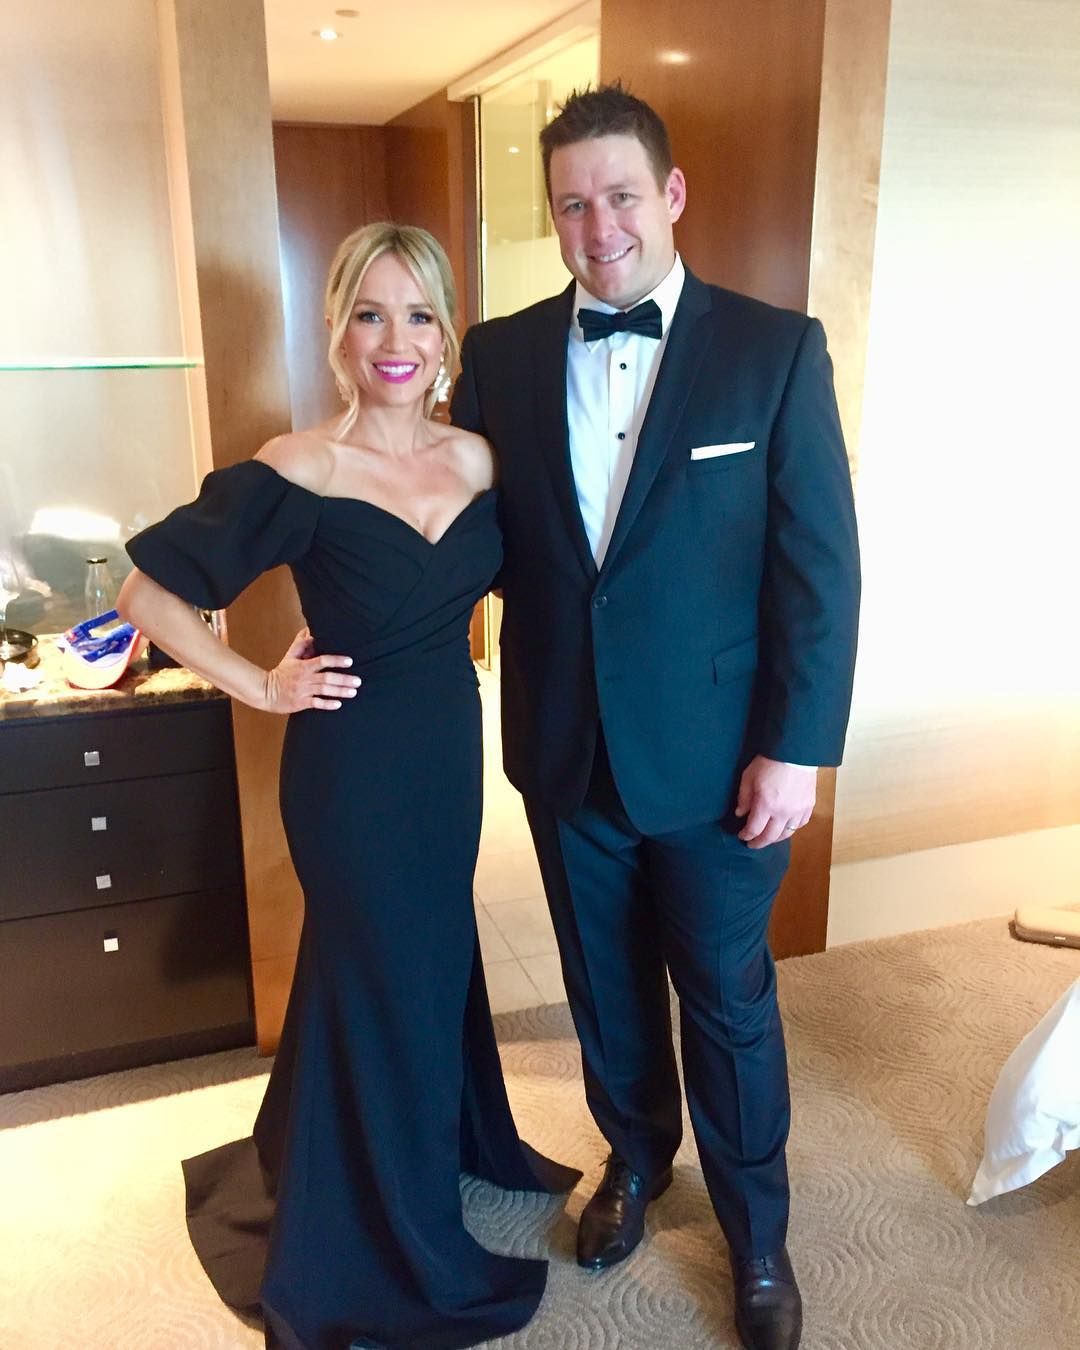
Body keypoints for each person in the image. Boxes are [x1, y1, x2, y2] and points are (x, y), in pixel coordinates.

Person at [118, 222, 579, 1350]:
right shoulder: (302, 466)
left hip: (444, 758)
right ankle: (391, 1235)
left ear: (447, 333)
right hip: (349, 769)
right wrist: (259, 684)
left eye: (417, 314)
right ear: (337, 330)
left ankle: (355, 1142)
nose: (395, 339)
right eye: (370, 314)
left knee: (419, 961)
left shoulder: (478, 461)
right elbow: (147, 594)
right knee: (387, 972)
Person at [450, 84, 860, 1350]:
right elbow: (464, 538)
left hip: (726, 761)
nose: (600, 227)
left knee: (727, 1002)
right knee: (603, 985)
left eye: (622, 195)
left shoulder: (774, 349)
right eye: (573, 204)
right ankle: (636, 1157)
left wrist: (796, 747)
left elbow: (819, 567)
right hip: (566, 750)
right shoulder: (501, 356)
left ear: (671, 195)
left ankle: (758, 1234)